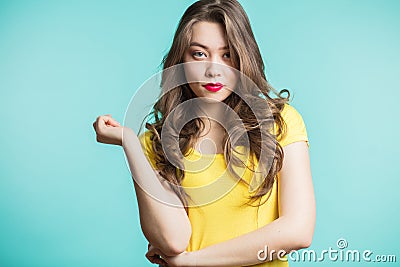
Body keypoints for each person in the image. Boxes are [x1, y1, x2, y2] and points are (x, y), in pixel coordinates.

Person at [92, 0, 315, 266]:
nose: (213, 70)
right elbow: (173, 240)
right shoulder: (157, 142)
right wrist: (129, 142)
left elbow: (298, 230)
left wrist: (191, 262)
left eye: (227, 54)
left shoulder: (280, 123)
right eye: (199, 54)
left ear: (245, 57)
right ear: (181, 61)